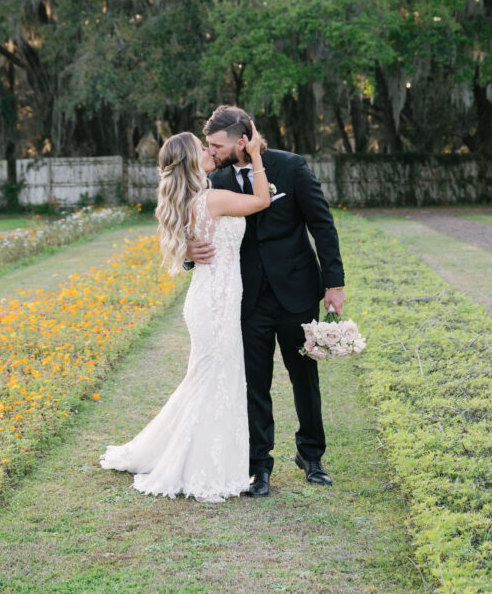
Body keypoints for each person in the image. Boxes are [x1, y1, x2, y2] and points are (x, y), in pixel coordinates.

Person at [99, 124, 269, 503]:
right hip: (215, 303)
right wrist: (256, 154)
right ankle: (199, 465)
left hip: (212, 300)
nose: (210, 152)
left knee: (209, 380)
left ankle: (201, 456)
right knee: (214, 381)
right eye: (202, 149)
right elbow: (261, 201)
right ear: (192, 160)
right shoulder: (210, 200)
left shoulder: (189, 201)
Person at [188, 106, 345, 498]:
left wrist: (334, 283)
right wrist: (190, 251)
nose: (212, 151)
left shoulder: (290, 167)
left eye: (217, 144)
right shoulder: (214, 178)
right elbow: (188, 221)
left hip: (296, 289)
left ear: (243, 140)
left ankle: (311, 456)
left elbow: (321, 224)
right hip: (245, 297)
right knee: (253, 382)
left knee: (303, 377)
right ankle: (259, 465)